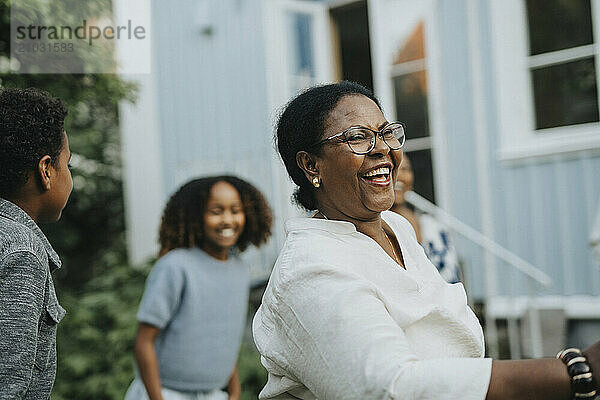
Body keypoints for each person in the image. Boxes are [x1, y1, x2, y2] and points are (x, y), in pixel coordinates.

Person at [252, 81, 600, 400]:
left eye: (387, 133)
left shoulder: (396, 228)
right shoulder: (310, 270)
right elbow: (391, 386)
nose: (382, 150)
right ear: (311, 165)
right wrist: (573, 371)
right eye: (358, 137)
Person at [125, 176, 272, 400]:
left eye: (235, 210)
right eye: (216, 211)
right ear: (196, 217)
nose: (227, 219)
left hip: (214, 394)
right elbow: (144, 342)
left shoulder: (240, 270)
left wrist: (233, 390)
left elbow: (223, 337)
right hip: (164, 393)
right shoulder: (175, 266)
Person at [0, 88, 72, 398]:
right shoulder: (22, 250)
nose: (69, 177)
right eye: (67, 165)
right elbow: (9, 383)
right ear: (46, 170)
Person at [391, 154, 461, 284]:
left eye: (405, 169)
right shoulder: (372, 230)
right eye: (391, 168)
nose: (398, 176)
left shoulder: (433, 227)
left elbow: (452, 279)